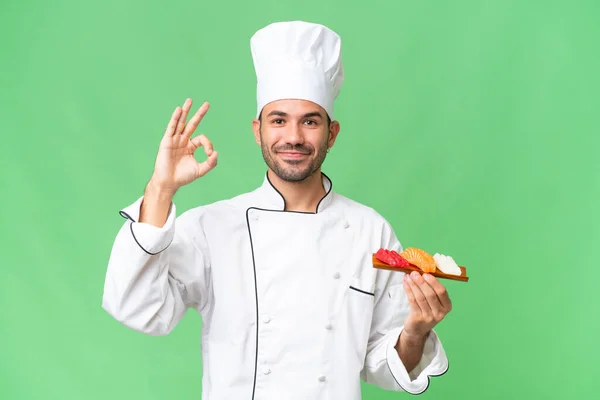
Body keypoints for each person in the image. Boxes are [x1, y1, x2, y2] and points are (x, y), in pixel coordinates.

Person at [102, 21, 453, 399]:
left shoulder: (369, 231)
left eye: (310, 121)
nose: (294, 137)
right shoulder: (211, 227)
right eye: (279, 120)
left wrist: (415, 331)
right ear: (258, 130)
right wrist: (161, 188)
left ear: (331, 133)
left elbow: (383, 363)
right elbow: (137, 308)